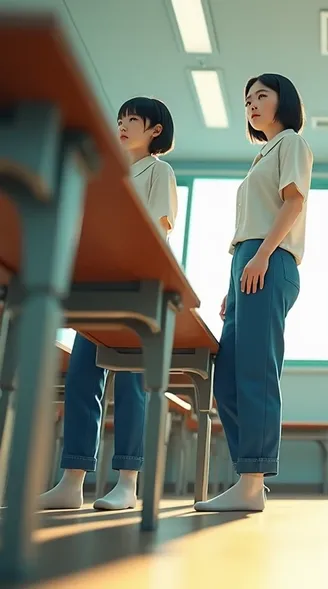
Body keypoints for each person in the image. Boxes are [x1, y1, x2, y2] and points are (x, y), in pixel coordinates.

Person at [39, 97, 178, 511]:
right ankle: (72, 481)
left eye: (133, 120)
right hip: (95, 287)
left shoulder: (159, 171)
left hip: (135, 289)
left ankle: (128, 482)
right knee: (83, 379)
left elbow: (158, 231)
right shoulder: (103, 175)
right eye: (120, 119)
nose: (123, 125)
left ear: (155, 131)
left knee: (133, 385)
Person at [194, 74, 313, 512]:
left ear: (284, 99)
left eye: (262, 95)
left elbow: (293, 203)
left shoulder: (291, 144)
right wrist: (232, 284)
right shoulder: (261, 155)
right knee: (226, 379)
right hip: (247, 265)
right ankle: (250, 478)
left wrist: (261, 257)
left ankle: (251, 480)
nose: (253, 104)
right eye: (247, 100)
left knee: (257, 373)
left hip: (270, 259)